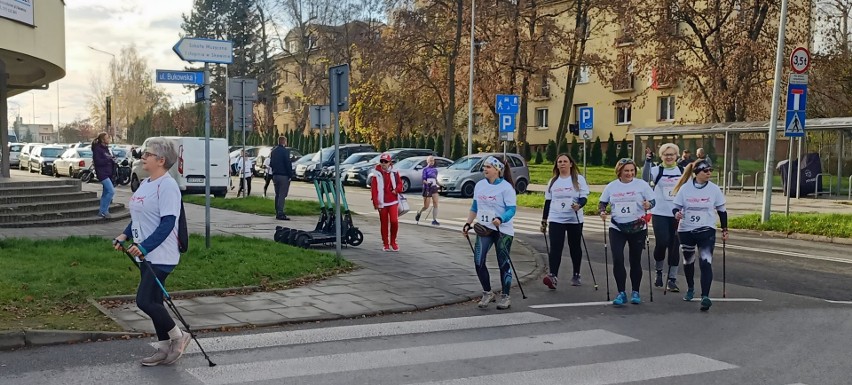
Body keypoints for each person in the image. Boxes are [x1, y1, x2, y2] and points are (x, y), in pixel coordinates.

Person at [112, 137, 191, 366]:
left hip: (161, 254)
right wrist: (124, 235)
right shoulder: (147, 183)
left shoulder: (168, 186)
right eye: (144, 153)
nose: (143, 157)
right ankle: (163, 347)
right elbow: (139, 216)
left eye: (148, 154)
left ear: (161, 160)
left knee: (144, 300)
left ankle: (179, 337)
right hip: (144, 254)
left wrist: (145, 246)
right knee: (156, 301)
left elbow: (167, 224)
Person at [671, 159, 728, 311]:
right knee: (688, 261)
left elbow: (722, 210)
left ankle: (705, 296)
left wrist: (724, 229)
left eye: (710, 170)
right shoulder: (685, 188)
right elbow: (676, 207)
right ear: (697, 172)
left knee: (705, 262)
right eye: (705, 171)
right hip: (686, 230)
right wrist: (677, 214)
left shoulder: (714, 189)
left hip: (706, 229)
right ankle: (690, 288)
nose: (709, 173)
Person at [462, 156, 517, 310]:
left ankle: (505, 296)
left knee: (503, 263)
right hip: (484, 228)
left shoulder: (506, 187)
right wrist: (468, 223)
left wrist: (501, 218)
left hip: (502, 230)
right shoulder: (480, 185)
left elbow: (512, 209)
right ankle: (487, 292)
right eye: (484, 166)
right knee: (478, 261)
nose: (485, 169)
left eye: (488, 167)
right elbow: (475, 207)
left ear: (497, 169)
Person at [599, 158, 655, 306]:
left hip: (637, 227)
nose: (629, 173)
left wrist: (649, 204)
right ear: (619, 171)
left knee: (635, 260)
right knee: (618, 258)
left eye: (632, 171)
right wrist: (603, 211)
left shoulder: (641, 185)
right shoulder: (612, 186)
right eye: (626, 171)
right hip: (617, 227)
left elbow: (653, 200)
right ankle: (621, 292)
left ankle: (635, 291)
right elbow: (602, 202)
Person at [540, 153, 590, 289]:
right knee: (556, 246)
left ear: (571, 164)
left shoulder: (578, 179)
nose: (562, 164)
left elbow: (584, 197)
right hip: (556, 218)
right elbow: (548, 201)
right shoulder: (553, 181)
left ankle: (576, 273)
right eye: (559, 162)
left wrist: (579, 205)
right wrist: (544, 220)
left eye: (565, 161)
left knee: (574, 246)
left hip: (574, 218)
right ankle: (553, 275)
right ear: (556, 165)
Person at [642, 144, 684, 292]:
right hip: (660, 213)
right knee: (662, 242)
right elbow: (645, 179)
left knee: (674, 246)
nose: (669, 157)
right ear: (661, 156)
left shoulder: (682, 171)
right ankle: (658, 271)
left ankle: (672, 279)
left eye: (672, 154)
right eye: (666, 154)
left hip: (677, 214)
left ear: (677, 155)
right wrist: (647, 161)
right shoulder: (657, 170)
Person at [370, 153, 404, 252]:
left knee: (394, 221)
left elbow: (400, 184)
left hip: (393, 200)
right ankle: (385, 243)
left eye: (385, 162)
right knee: (384, 223)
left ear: (390, 163)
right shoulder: (376, 173)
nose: (383, 164)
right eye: (382, 161)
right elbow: (374, 189)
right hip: (382, 202)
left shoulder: (394, 172)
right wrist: (376, 203)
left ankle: (393, 242)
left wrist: (396, 190)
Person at [91, 132, 115, 219]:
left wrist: (112, 160)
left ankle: (102, 211)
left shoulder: (106, 149)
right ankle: (105, 211)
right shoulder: (97, 149)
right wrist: (108, 160)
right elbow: (97, 162)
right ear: (102, 139)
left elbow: (109, 158)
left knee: (105, 193)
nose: (109, 139)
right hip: (102, 173)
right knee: (111, 191)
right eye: (107, 138)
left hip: (108, 173)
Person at [270, 136, 293, 220]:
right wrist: (290, 175)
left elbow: (271, 163)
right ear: (284, 142)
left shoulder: (274, 151)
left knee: (277, 194)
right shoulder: (285, 151)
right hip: (284, 175)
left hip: (275, 175)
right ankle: (280, 213)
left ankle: (277, 211)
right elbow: (287, 163)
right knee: (282, 194)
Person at [414, 156, 441, 226]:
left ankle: (434, 220)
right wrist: (427, 183)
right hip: (427, 188)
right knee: (426, 206)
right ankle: (419, 212)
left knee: (436, 203)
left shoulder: (435, 170)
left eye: (433, 161)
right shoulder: (425, 170)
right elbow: (423, 180)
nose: (432, 162)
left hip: (434, 188)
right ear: (427, 161)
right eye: (430, 161)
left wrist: (440, 185)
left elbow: (435, 180)